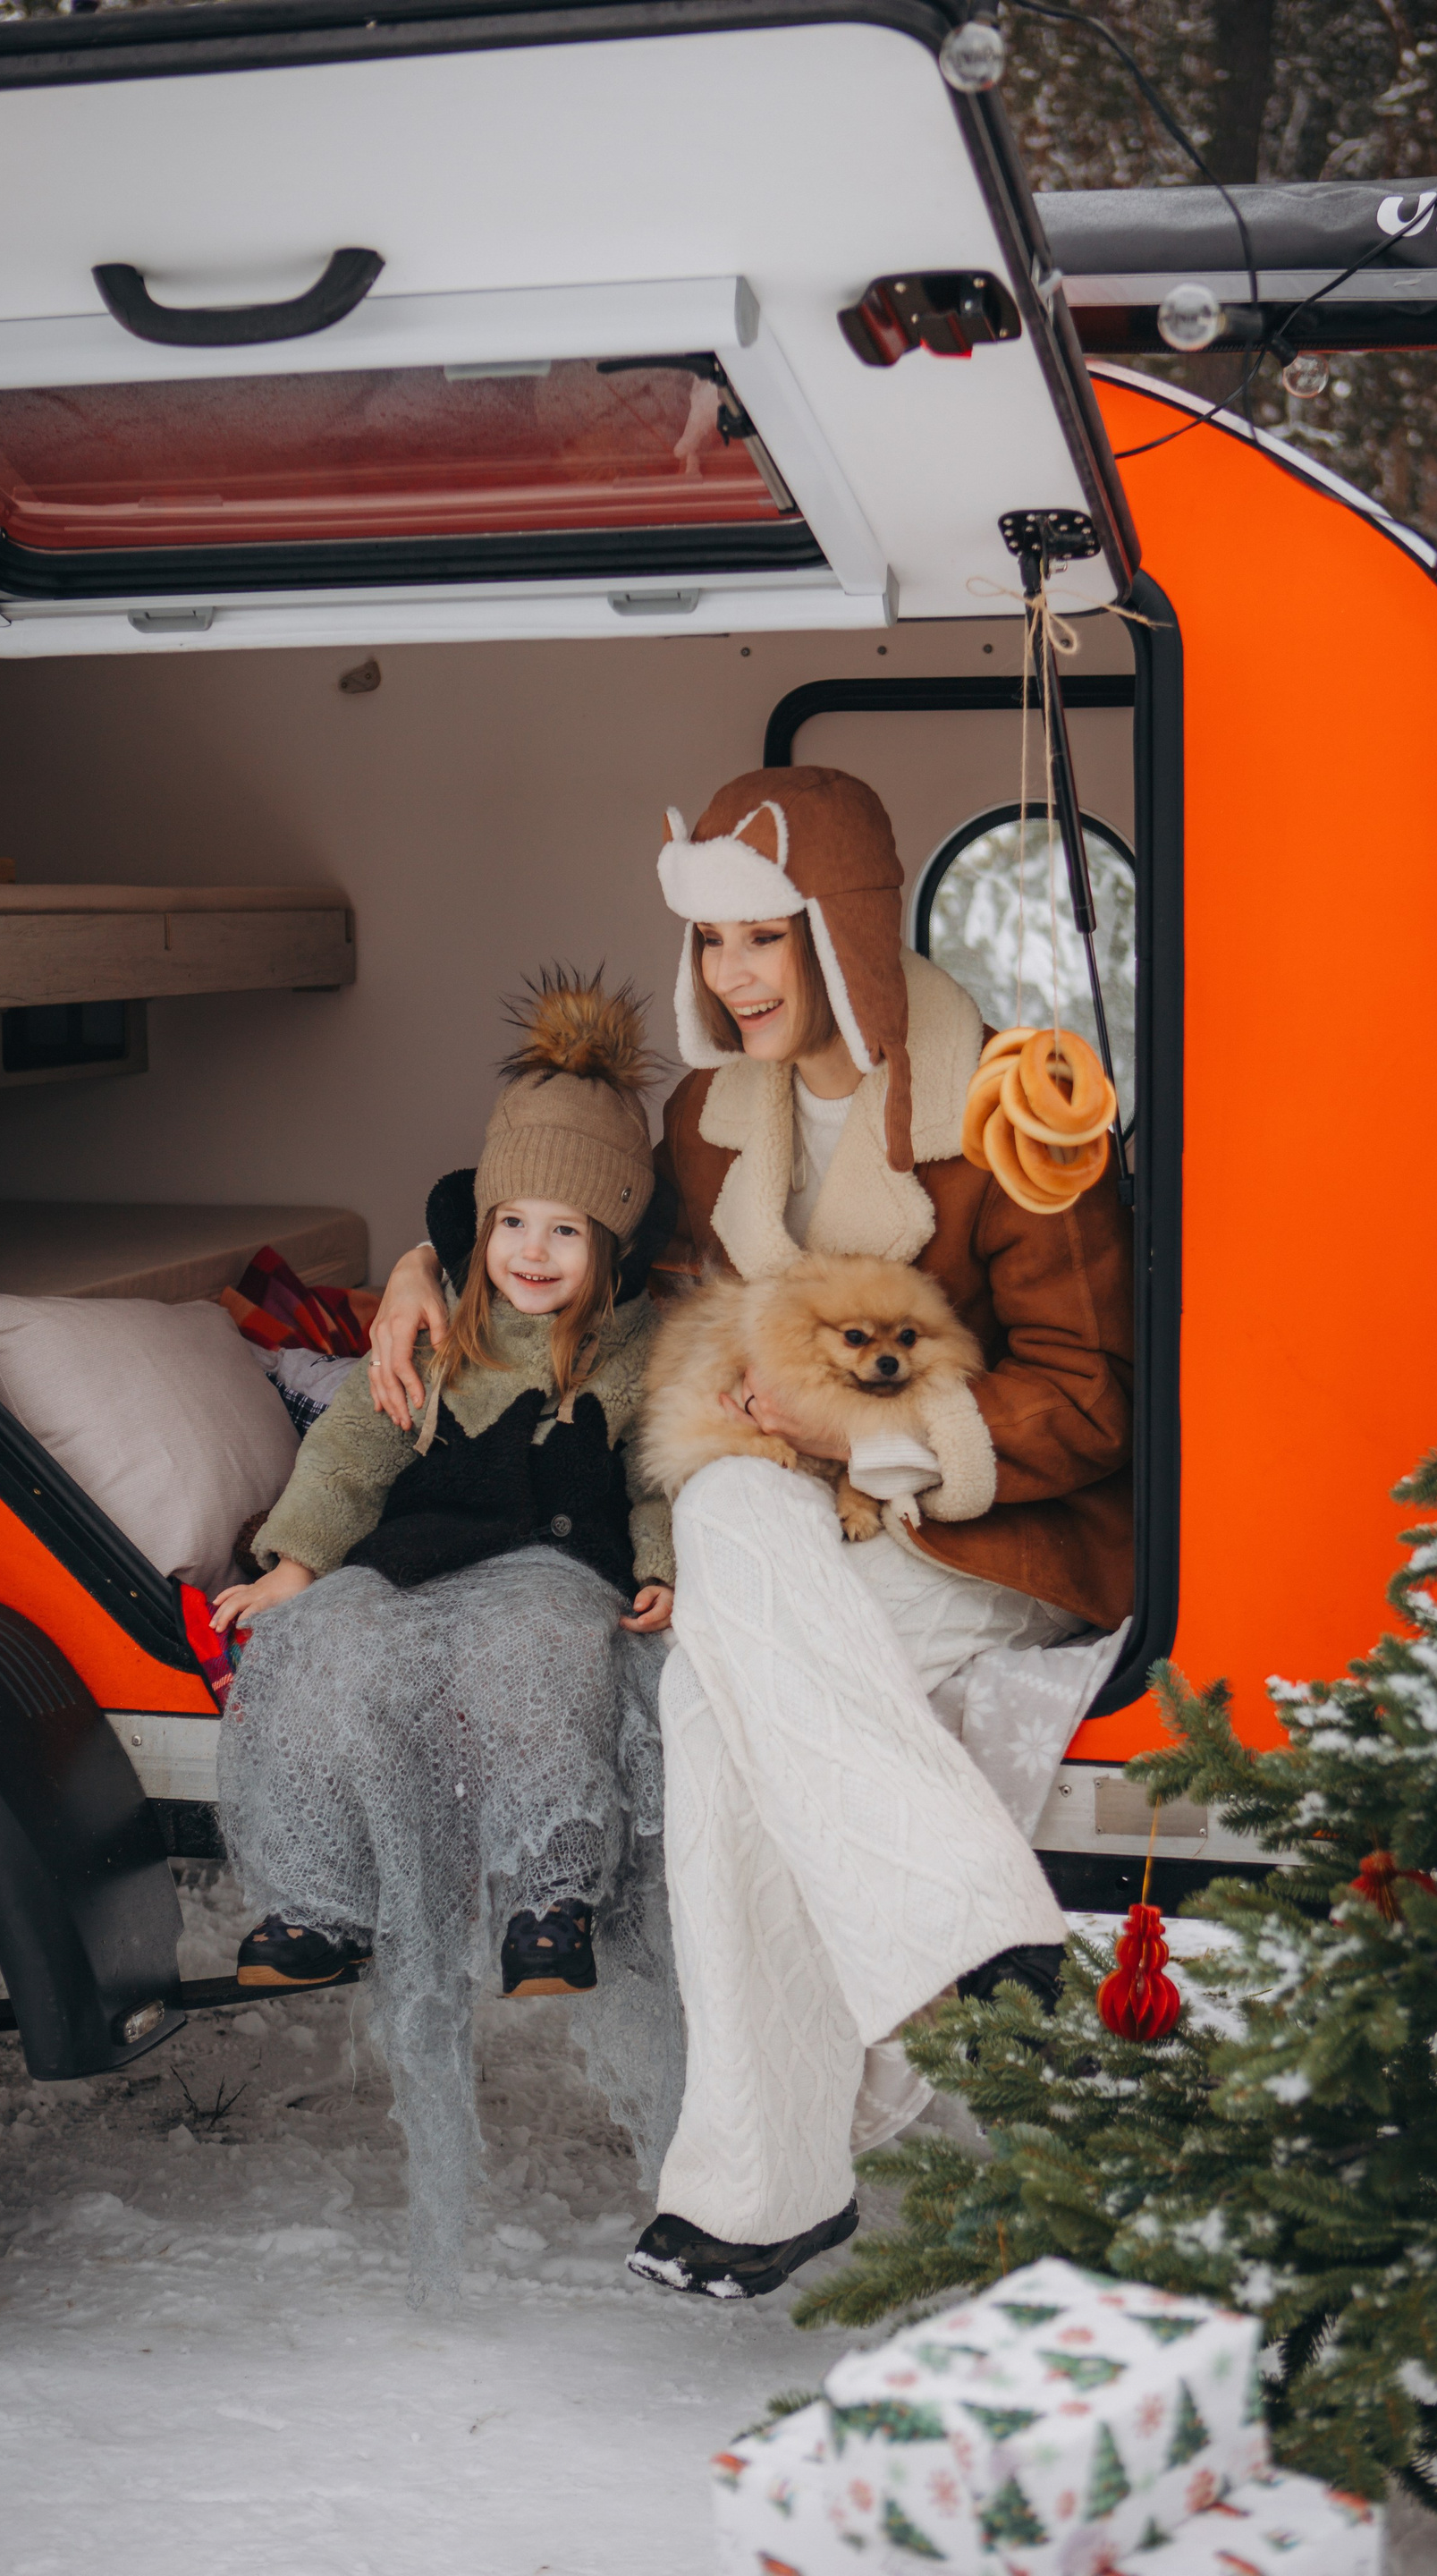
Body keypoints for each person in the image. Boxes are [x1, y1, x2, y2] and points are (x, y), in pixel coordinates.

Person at [368, 769, 1133, 2300]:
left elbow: (1089, 1398)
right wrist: (424, 1263)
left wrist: (864, 1436)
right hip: (784, 1520)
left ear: (842, 928)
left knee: (724, 1712)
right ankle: (970, 1935)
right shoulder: (711, 1123)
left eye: (762, 937)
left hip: (978, 1529)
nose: (729, 975)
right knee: (719, 1505)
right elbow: (583, 1238)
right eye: (710, 941)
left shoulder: (1002, 1103)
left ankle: (758, 2186)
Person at [216, 971, 682, 2292]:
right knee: (329, 1652)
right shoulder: (435, 1336)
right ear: (477, 1230)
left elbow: (661, 1471)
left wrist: (660, 1570)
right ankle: (317, 1903)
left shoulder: (637, 1351)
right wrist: (297, 1566)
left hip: (553, 1566)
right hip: (410, 1558)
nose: (532, 1252)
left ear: (612, 1247)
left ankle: (549, 1899)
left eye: (566, 1231)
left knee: (541, 1657)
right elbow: (352, 1454)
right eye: (511, 1223)